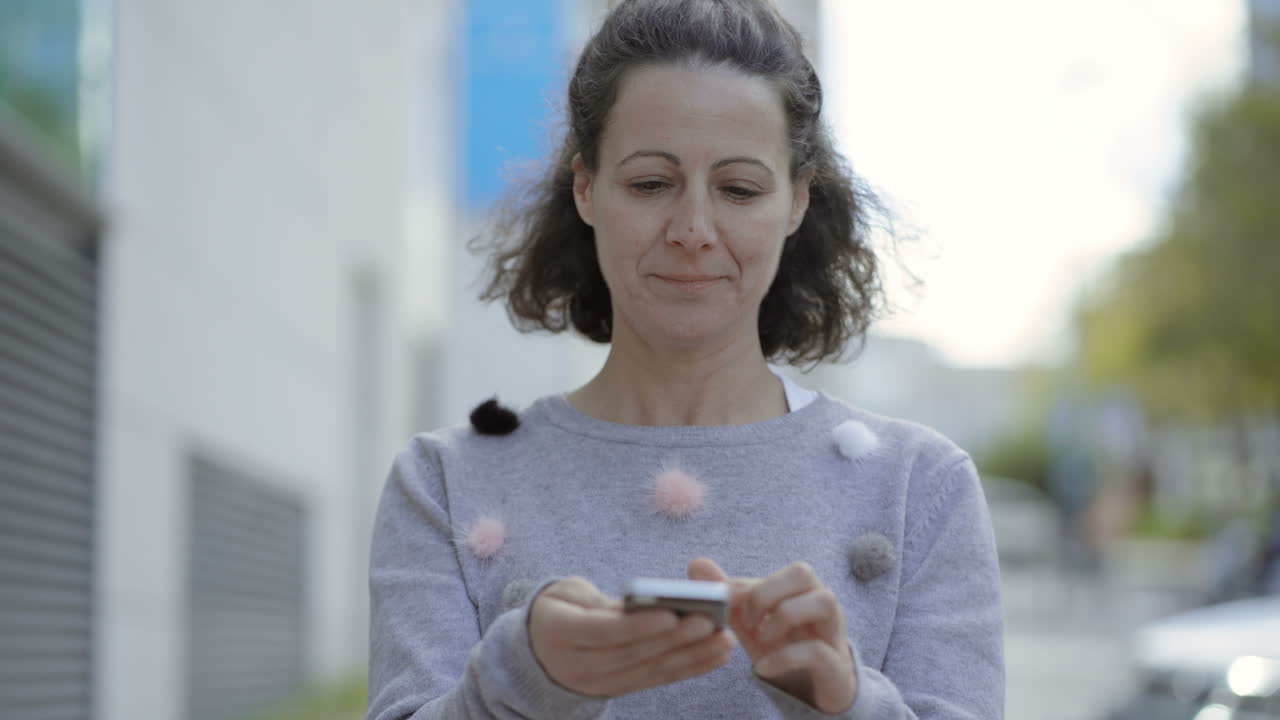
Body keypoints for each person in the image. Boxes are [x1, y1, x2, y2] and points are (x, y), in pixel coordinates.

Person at [366, 1, 1004, 718]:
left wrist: (847, 701)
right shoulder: (447, 483)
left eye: (738, 189)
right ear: (586, 188)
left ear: (796, 200)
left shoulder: (920, 488)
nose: (694, 229)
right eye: (650, 184)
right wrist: (524, 676)